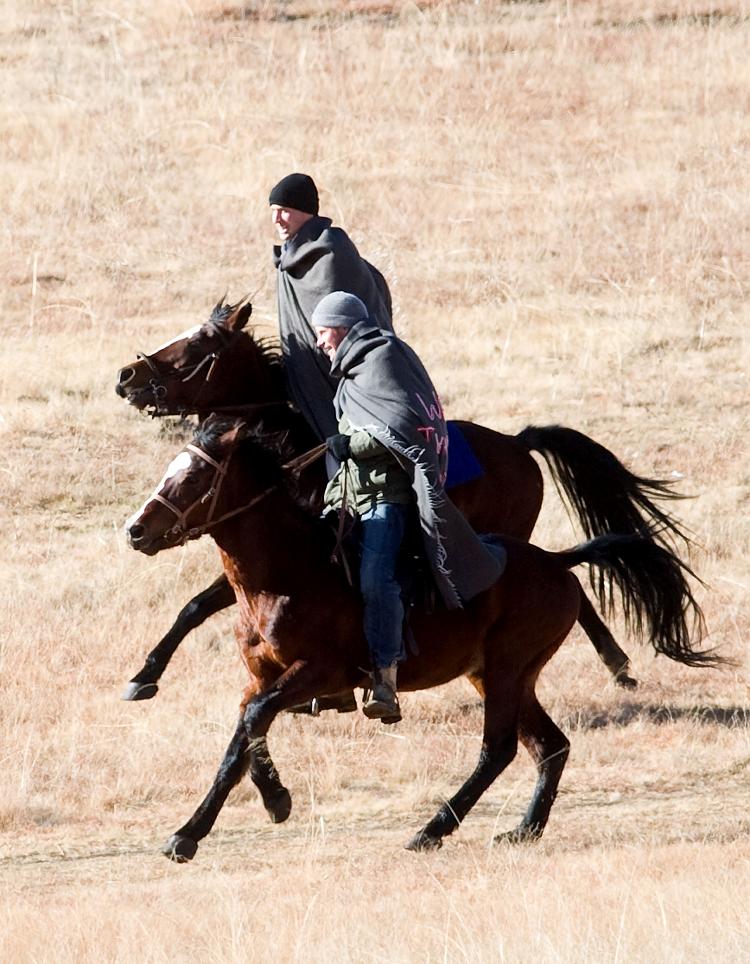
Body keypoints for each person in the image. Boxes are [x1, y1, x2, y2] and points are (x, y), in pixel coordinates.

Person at [311, 292, 504, 722]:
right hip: (352, 498)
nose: (321, 342)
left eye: (323, 333)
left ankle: (385, 674)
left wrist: (352, 444)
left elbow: (400, 430)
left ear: (341, 327)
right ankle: (335, 681)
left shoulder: (383, 359)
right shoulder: (349, 372)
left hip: (388, 500)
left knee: (377, 579)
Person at [269, 173, 393, 442]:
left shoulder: (333, 253)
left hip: (348, 381)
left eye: (284, 211)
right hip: (305, 378)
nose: (276, 220)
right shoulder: (288, 258)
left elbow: (351, 321)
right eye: (273, 212)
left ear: (305, 212)